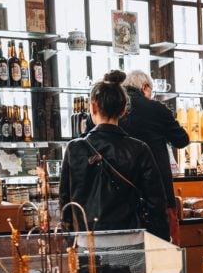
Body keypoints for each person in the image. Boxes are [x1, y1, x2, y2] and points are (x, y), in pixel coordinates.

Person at [60, 70, 169, 240]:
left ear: (93, 107)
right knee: (130, 268)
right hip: (130, 241)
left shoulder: (75, 149)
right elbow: (156, 204)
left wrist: (70, 242)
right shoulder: (139, 148)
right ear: (124, 110)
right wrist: (161, 241)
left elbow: (65, 204)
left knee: (89, 268)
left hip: (87, 243)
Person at [119, 70, 190, 244]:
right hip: (158, 188)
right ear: (144, 88)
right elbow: (182, 140)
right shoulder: (156, 109)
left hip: (123, 192)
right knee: (165, 248)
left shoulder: (116, 109)